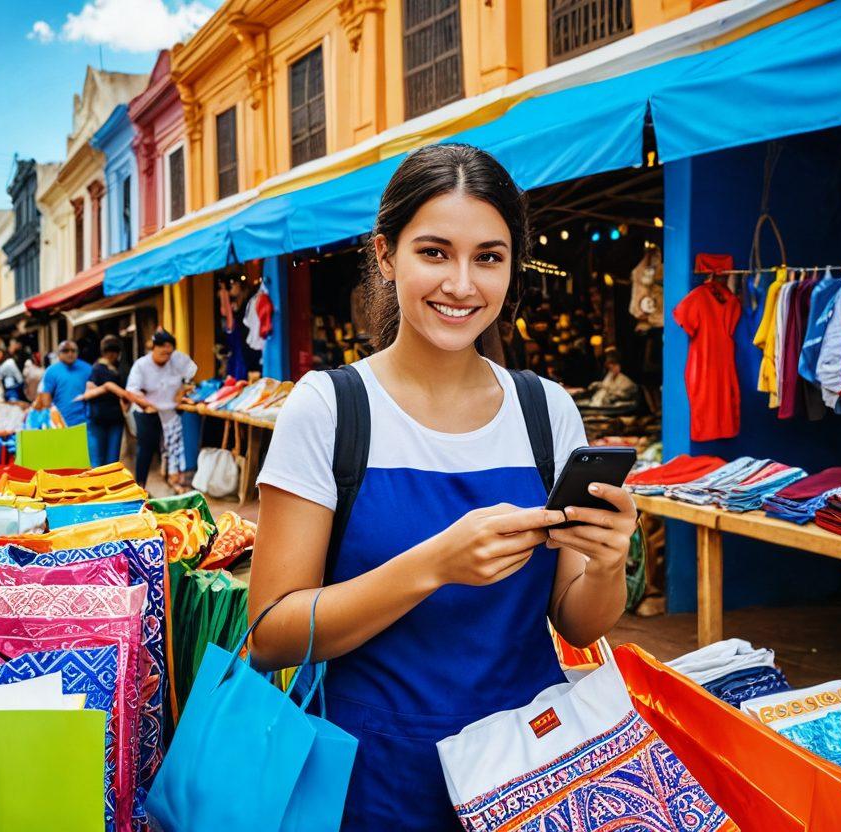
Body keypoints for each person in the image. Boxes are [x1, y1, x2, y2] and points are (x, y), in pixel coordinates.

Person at [251, 144, 636, 831]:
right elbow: (272, 634)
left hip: (531, 776)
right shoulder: (329, 407)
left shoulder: (547, 410)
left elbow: (578, 620)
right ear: (385, 254)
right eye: (434, 252)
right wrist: (433, 566)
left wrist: (608, 559)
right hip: (372, 780)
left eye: (488, 257)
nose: (462, 284)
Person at [125, 330, 197, 490]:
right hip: (147, 411)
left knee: (174, 446)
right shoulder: (141, 365)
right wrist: (144, 403)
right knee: (146, 447)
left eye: (169, 351)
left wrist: (185, 388)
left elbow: (192, 372)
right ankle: (140, 485)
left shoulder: (177, 359)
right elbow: (131, 390)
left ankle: (174, 480)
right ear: (154, 348)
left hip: (170, 410)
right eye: (162, 350)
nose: (166, 354)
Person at [77, 335, 144, 467]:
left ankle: (105, 486)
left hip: (111, 419)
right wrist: (108, 388)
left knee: (108, 460)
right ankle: (101, 486)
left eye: (113, 351)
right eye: (109, 351)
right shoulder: (98, 369)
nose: (112, 355)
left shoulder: (118, 368)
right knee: (101, 460)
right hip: (100, 420)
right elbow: (89, 392)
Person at [36, 340, 92, 426]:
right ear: (59, 353)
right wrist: (51, 418)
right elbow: (45, 398)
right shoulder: (52, 371)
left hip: (85, 421)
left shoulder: (87, 369)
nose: (70, 354)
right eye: (65, 351)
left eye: (73, 351)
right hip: (61, 422)